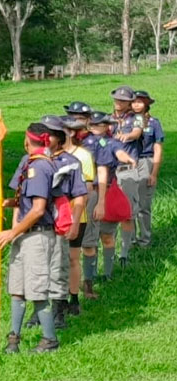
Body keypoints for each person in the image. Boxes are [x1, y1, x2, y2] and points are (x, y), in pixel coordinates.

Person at [0, 123, 59, 354]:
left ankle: (50, 339)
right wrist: (7, 203)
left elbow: (39, 209)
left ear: (27, 139)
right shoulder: (28, 162)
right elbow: (26, 201)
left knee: (37, 289)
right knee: (17, 288)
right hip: (24, 234)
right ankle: (14, 338)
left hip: (37, 235)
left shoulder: (40, 167)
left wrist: (12, 232)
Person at [33, 115, 87, 330]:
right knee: (38, 266)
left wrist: (75, 224)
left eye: (47, 134)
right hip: (37, 219)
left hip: (60, 219)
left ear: (57, 137)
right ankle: (38, 309)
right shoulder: (34, 159)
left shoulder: (71, 162)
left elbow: (80, 196)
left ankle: (58, 309)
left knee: (58, 266)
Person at [83, 111, 136, 281]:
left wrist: (128, 159)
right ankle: (90, 277)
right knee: (89, 240)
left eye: (99, 124)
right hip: (87, 192)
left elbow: (120, 153)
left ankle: (107, 273)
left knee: (107, 235)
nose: (95, 128)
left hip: (105, 191)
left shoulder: (111, 143)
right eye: (92, 124)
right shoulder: (84, 142)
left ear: (106, 126)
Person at [59, 115, 95, 315]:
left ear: (71, 132)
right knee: (56, 259)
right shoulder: (50, 154)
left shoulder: (83, 156)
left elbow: (87, 189)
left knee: (73, 258)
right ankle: (56, 299)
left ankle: (73, 298)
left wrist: (74, 212)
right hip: (54, 217)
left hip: (75, 216)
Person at [109, 86, 142, 268]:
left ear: (130, 102)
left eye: (122, 100)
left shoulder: (136, 118)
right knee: (111, 213)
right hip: (111, 171)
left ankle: (125, 252)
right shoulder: (108, 119)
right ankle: (110, 250)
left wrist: (126, 135)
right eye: (117, 99)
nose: (118, 102)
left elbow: (136, 133)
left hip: (128, 170)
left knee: (127, 214)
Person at [131, 91, 163, 247]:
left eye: (140, 102)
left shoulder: (154, 123)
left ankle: (144, 239)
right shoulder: (126, 122)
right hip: (129, 163)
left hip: (146, 161)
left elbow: (158, 149)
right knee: (129, 204)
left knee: (143, 204)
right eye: (134, 101)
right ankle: (129, 240)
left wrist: (154, 173)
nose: (136, 104)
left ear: (146, 104)